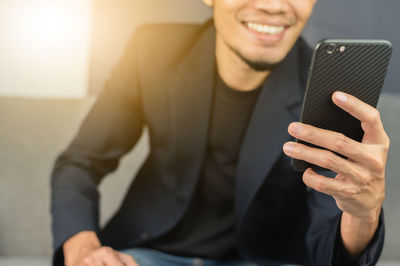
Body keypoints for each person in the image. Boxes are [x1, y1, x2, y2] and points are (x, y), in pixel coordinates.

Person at [51, 0, 389, 265]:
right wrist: (83, 246)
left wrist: (363, 214)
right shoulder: (151, 51)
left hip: (265, 261)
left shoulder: (329, 95)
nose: (273, 5)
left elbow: (329, 242)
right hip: (151, 252)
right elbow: (80, 162)